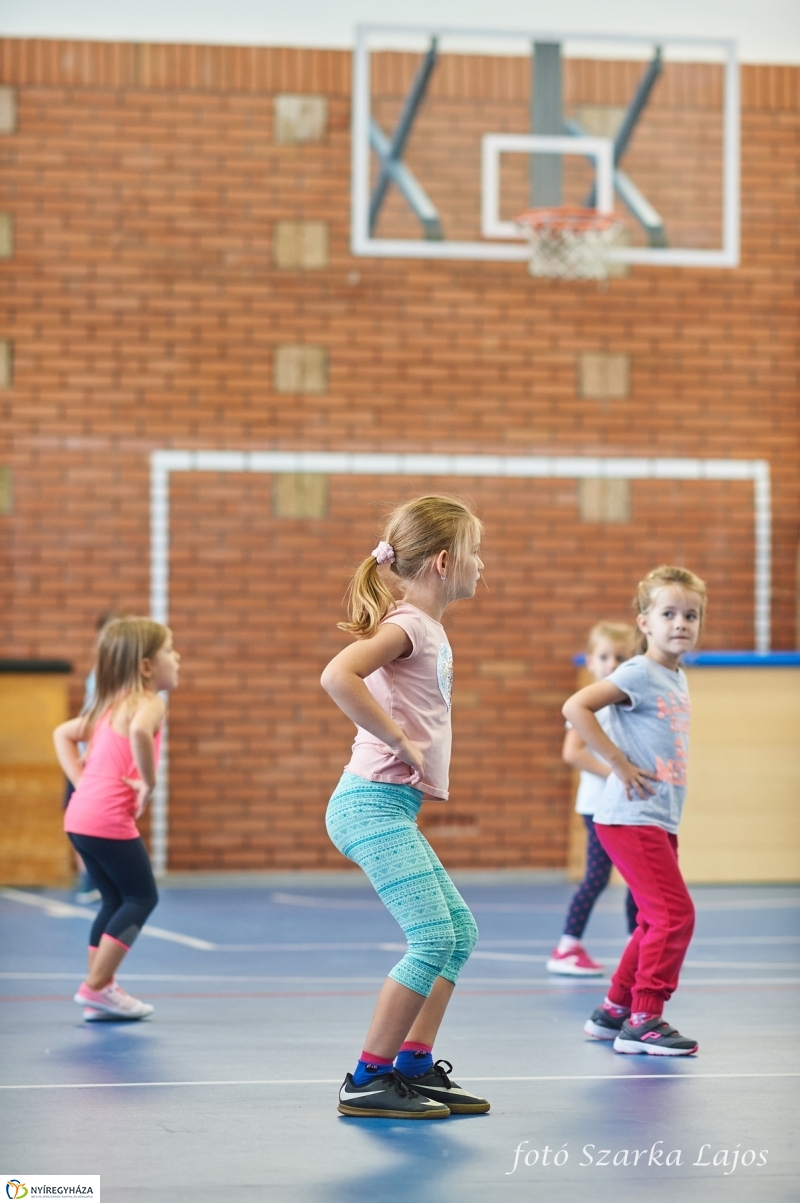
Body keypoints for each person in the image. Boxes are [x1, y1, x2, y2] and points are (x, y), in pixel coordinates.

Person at [321, 495, 490, 1119]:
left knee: (459, 934)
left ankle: (414, 1066)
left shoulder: (427, 627)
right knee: (430, 937)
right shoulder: (409, 625)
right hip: (369, 805)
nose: (483, 568)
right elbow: (338, 676)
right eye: (475, 554)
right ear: (444, 563)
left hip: (390, 808)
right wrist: (397, 738)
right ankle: (368, 1076)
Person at [562, 565, 705, 1056]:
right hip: (630, 816)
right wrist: (617, 762)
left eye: (691, 615)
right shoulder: (638, 672)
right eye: (668, 613)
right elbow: (576, 706)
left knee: (651, 919)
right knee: (675, 916)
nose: (681, 622)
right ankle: (645, 1018)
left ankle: (614, 1009)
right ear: (645, 623)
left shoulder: (676, 674)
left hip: (658, 818)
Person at [53, 617, 180, 1022]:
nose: (177, 658)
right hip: (107, 820)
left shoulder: (112, 705)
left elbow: (62, 733)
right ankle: (95, 986)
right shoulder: (147, 702)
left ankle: (101, 988)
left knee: (113, 899)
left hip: (80, 818)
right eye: (170, 650)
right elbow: (143, 733)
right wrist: (148, 782)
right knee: (142, 897)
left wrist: (82, 781)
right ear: (147, 667)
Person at [547, 621, 638, 976]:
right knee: (597, 877)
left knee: (634, 877)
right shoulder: (591, 703)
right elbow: (573, 753)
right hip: (599, 807)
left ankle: (637, 941)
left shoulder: (621, 702)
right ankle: (568, 945)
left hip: (624, 805)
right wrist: (614, 773)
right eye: (604, 656)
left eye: (621, 656)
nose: (612, 663)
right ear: (590, 661)